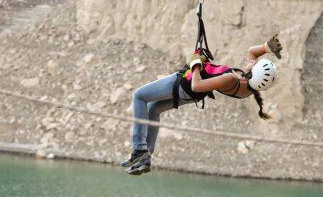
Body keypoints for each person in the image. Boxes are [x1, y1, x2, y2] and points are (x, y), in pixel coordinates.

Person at [121, 34, 283, 175]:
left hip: (186, 85)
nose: (252, 62)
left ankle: (139, 149)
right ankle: (145, 157)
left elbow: (196, 85)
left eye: (254, 65)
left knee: (139, 96)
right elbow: (252, 52)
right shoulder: (249, 86)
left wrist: (196, 64)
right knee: (154, 109)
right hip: (192, 96)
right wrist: (266, 47)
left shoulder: (231, 79)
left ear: (252, 74)